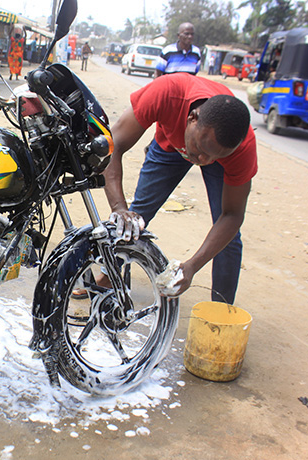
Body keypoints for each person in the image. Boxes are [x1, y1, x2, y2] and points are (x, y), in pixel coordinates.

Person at [101, 73, 257, 304]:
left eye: (213, 156)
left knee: (229, 238)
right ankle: (108, 278)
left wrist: (192, 266)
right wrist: (119, 208)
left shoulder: (240, 148)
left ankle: (221, 310)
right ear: (193, 118)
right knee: (136, 216)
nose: (203, 160)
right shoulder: (167, 93)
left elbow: (233, 215)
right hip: (169, 145)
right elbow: (112, 145)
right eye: (201, 148)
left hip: (217, 156)